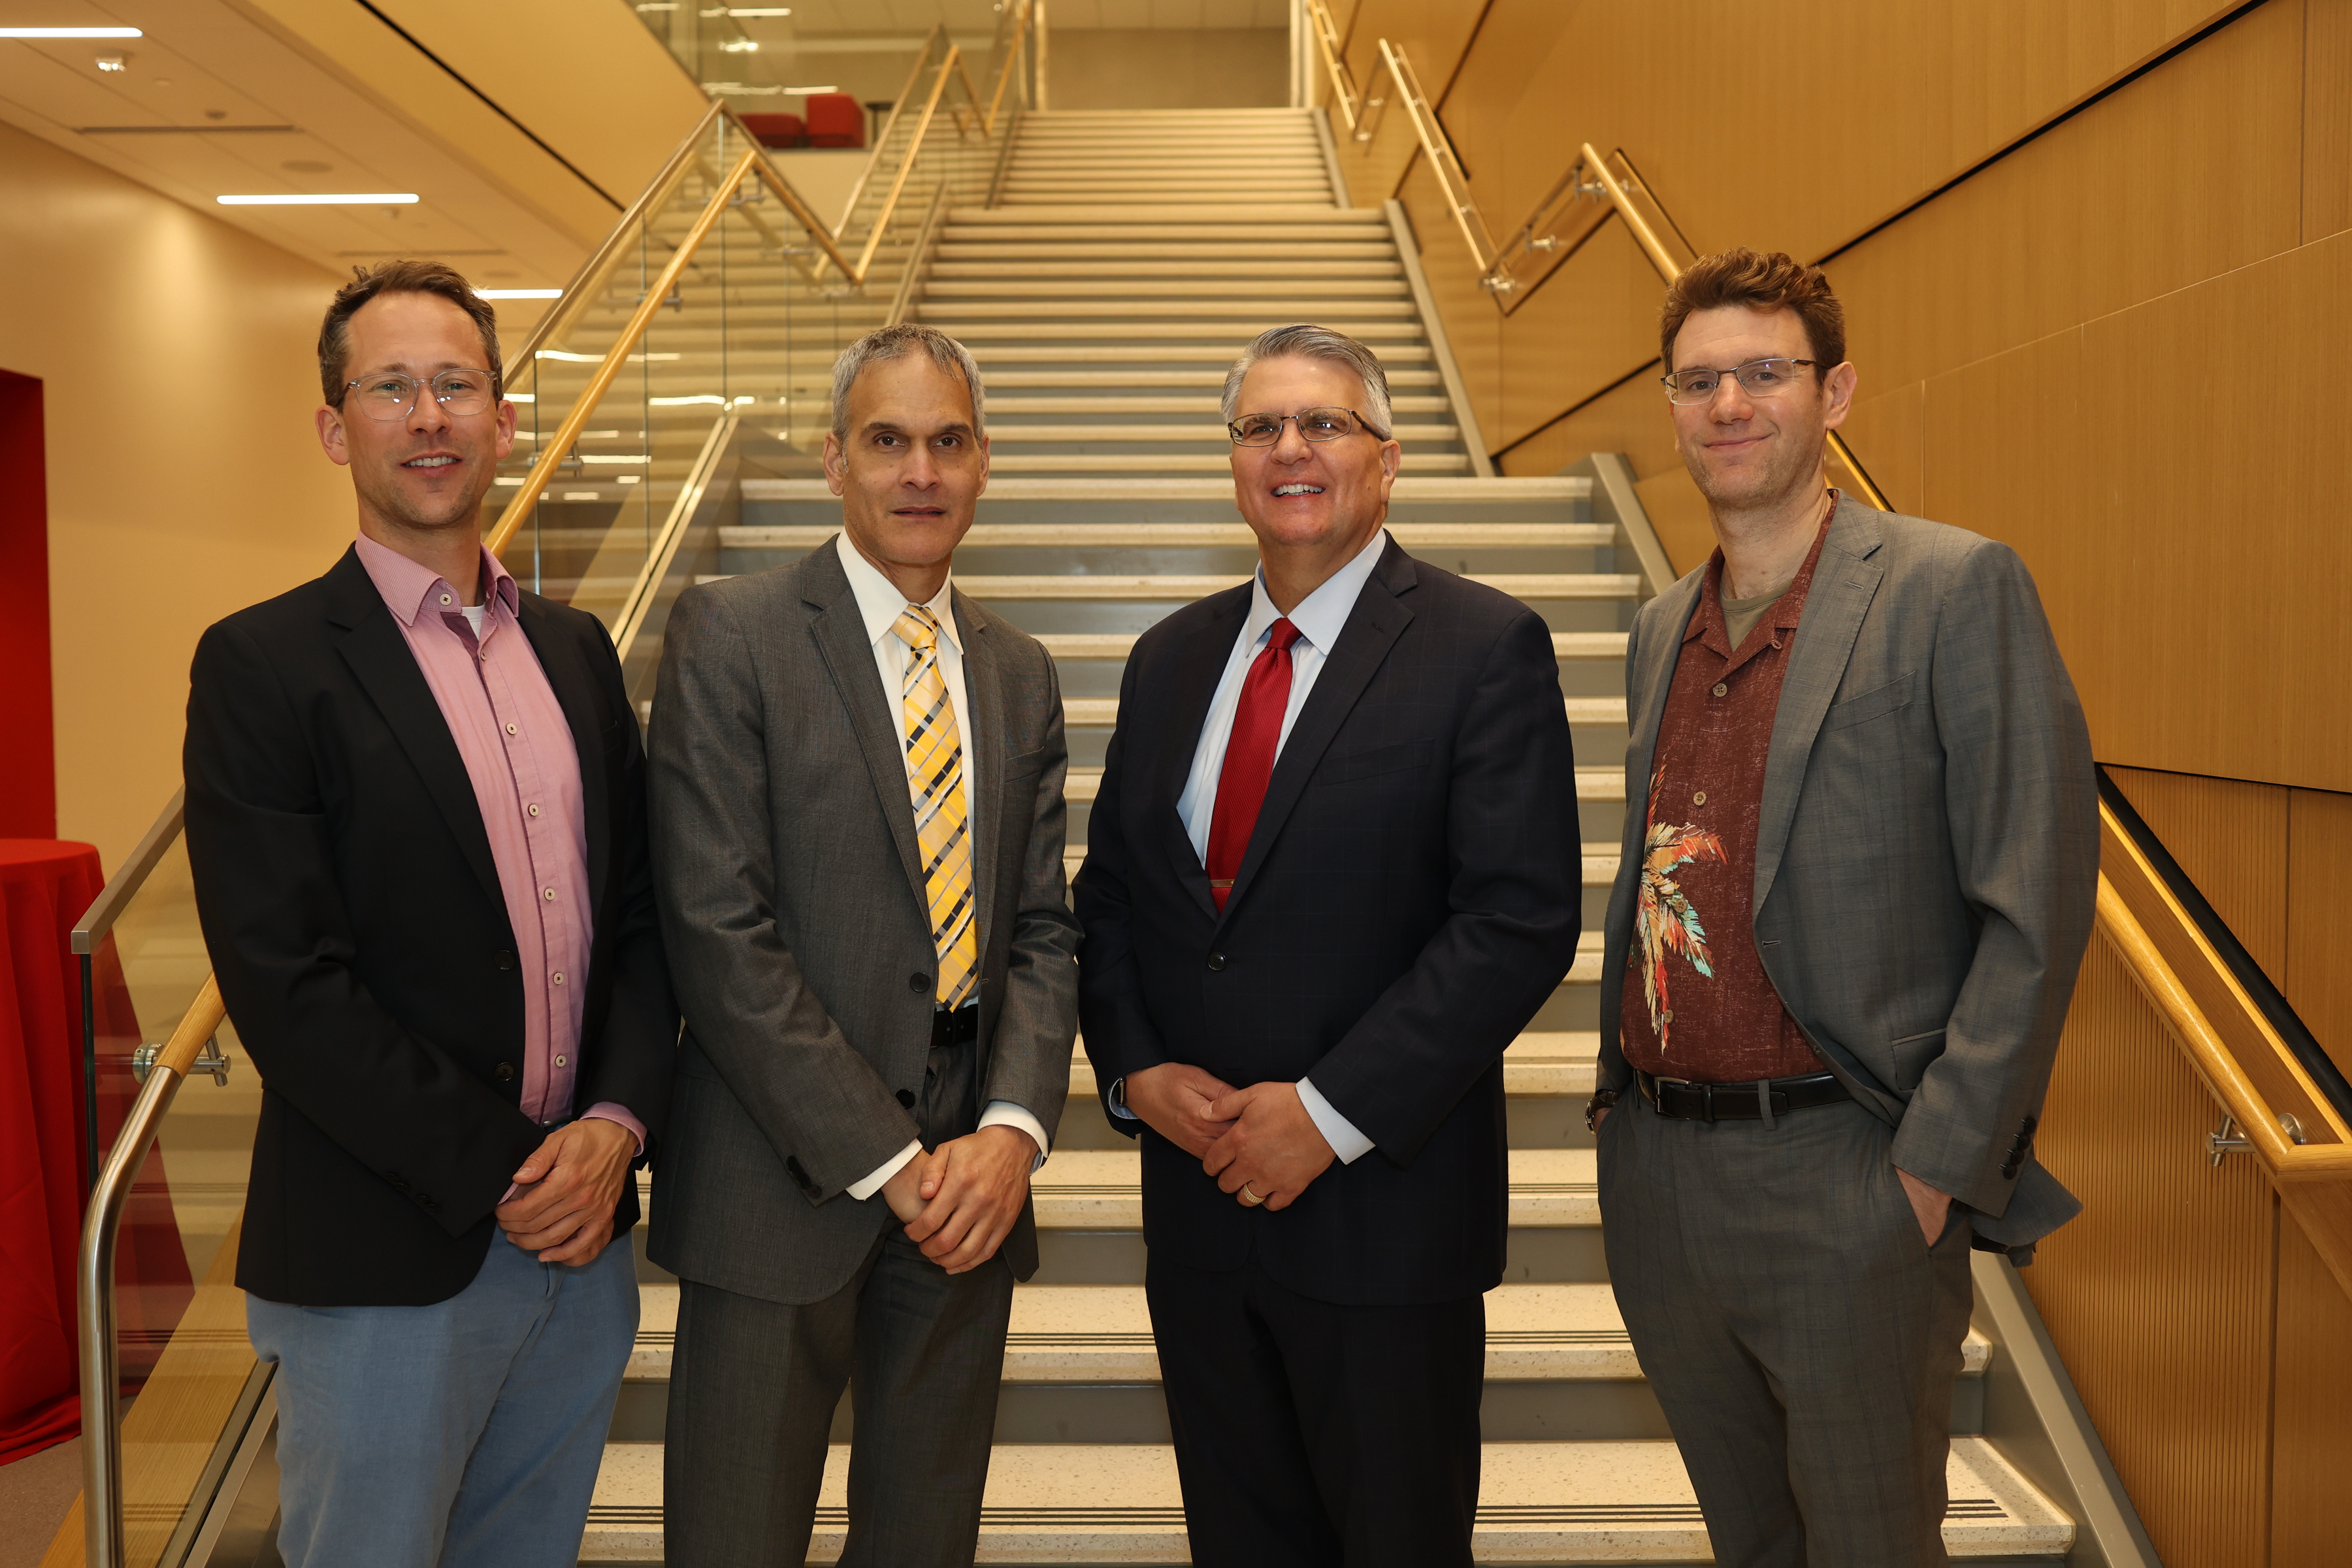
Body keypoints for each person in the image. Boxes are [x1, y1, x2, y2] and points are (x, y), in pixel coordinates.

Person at [1589, 248, 2098, 1567]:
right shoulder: (1660, 629)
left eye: (1765, 372)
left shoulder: (1951, 588)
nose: (1728, 404)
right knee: (1748, 1542)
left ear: (1838, 392)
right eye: (1697, 381)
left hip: (1849, 1175)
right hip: (1662, 1181)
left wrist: (1934, 1171)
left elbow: (2035, 903)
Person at [182, 259, 678, 1568]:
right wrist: (514, 1167)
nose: (429, 417)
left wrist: (617, 1126)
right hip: (386, 1254)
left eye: (456, 385)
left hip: (580, 1245)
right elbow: (288, 984)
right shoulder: (264, 664)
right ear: (334, 428)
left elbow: (640, 921)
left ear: (504, 420)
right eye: (390, 388)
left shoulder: (575, 650)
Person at [1073, 323, 1584, 1567]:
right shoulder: (1169, 658)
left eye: (1324, 423)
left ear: (1388, 458)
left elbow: (1516, 922)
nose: (1289, 448)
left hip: (1383, 1221)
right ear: (1233, 461)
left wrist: (1327, 1113)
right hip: (1199, 1218)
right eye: (1261, 427)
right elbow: (1111, 897)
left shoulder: (1483, 645)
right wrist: (1135, 1072)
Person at [648, 322, 1079, 1567]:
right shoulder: (732, 632)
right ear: (835, 460)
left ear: (984, 461)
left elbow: (1041, 930)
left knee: (924, 1540)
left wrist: (1012, 1131)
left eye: (949, 442)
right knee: (736, 1541)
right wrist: (885, 1157)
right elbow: (718, 930)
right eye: (887, 441)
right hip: (776, 1179)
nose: (920, 473)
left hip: (969, 1191)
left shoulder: (1019, 671)